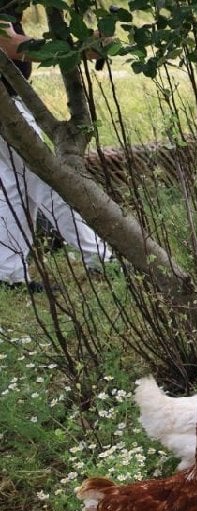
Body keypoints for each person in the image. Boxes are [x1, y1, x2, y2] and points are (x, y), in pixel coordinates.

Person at [0, 3, 111, 293]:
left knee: (15, 185)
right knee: (51, 179)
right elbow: (9, 43)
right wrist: (80, 49)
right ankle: (99, 257)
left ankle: (8, 273)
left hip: (8, 105)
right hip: (5, 110)